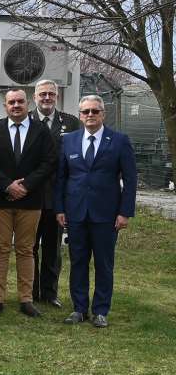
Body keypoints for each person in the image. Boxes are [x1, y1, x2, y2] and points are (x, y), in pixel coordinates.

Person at [56, 95, 136, 328]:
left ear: (103, 114)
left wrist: (125, 212)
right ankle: (79, 308)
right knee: (78, 262)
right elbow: (61, 178)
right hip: (76, 213)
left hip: (106, 214)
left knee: (104, 264)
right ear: (80, 115)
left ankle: (101, 311)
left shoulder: (119, 141)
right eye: (85, 111)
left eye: (94, 111)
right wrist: (59, 208)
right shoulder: (69, 140)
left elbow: (130, 180)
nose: (90, 115)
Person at [0, 88, 57, 317]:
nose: (16, 105)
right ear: (5, 106)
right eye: (11, 102)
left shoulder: (41, 131)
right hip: (1, 200)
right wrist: (8, 185)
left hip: (31, 200)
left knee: (26, 249)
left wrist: (26, 185)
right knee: (0, 249)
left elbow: (49, 162)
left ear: (27, 104)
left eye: (20, 101)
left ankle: (26, 299)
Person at [30, 79, 80, 307]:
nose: (47, 98)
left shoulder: (71, 123)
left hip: (57, 197)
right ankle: (30, 292)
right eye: (43, 94)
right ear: (35, 97)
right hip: (30, 196)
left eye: (51, 94)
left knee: (52, 248)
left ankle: (50, 293)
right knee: (29, 248)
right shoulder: (25, 120)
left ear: (57, 96)